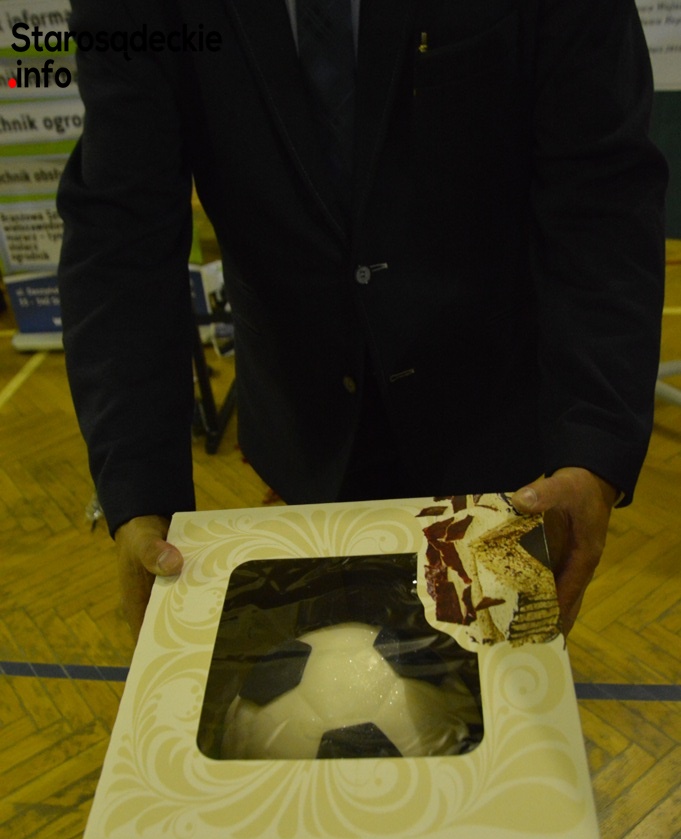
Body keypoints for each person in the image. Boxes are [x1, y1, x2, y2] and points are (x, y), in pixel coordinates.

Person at [57, 0, 668, 639]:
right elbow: (121, 229)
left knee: (508, 688)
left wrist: (592, 448)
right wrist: (140, 495)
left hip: (502, 430)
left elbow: (603, 191)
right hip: (305, 430)